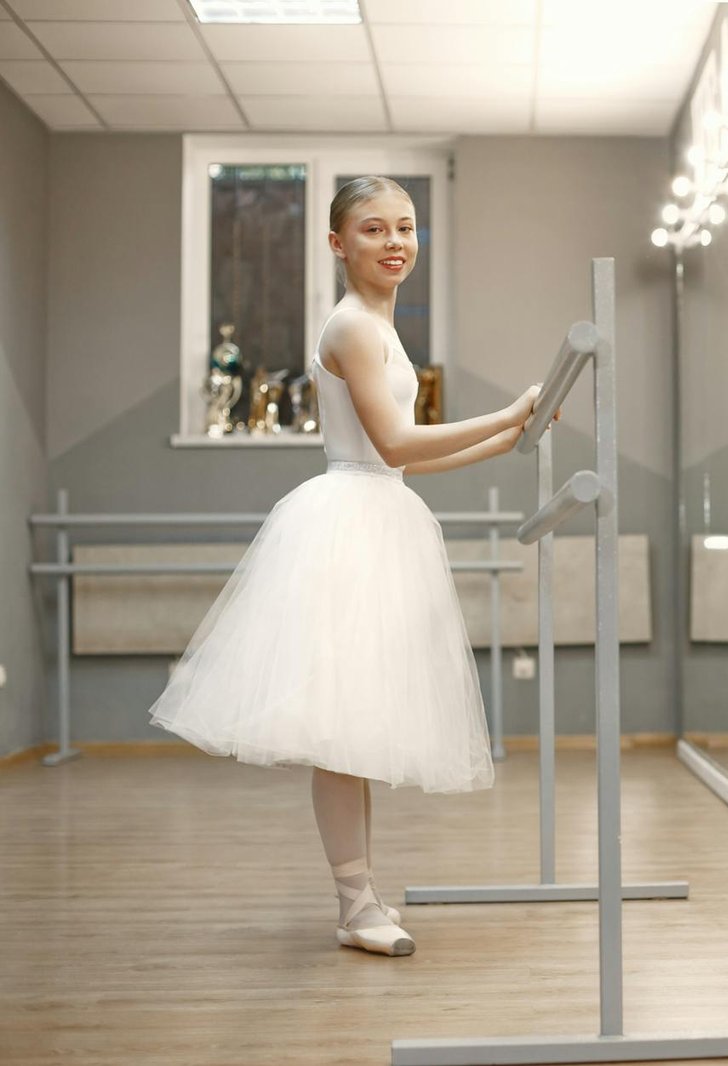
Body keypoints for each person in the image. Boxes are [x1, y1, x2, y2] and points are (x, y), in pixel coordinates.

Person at [151, 176, 544, 956]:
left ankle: (360, 899)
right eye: (373, 230)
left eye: (405, 227)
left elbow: (397, 456)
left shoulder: (379, 325)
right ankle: (357, 905)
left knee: (356, 724)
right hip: (350, 526)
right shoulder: (356, 329)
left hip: (377, 512)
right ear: (338, 244)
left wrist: (504, 442)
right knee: (341, 728)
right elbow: (395, 445)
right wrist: (504, 413)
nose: (395, 242)